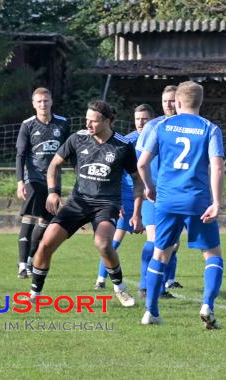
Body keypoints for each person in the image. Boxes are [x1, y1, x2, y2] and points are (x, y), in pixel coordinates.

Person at [26, 100, 144, 307]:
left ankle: (119, 288)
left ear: (108, 121)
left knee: (103, 244)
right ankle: (34, 294)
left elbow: (137, 180)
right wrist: (53, 193)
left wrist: (137, 211)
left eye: (94, 121)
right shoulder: (77, 139)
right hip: (77, 202)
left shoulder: (123, 146)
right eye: (87, 120)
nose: (88, 125)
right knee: (45, 244)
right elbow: (54, 165)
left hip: (106, 204)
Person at [138, 81, 225, 328]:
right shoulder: (210, 128)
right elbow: (217, 167)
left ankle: (151, 311)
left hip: (166, 200)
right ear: (200, 102)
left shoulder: (161, 126)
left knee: (160, 253)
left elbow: (142, 164)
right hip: (198, 201)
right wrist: (217, 202)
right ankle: (207, 305)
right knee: (212, 254)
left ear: (177, 102)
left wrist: (149, 188)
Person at [94, 104, 153, 289]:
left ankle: (167, 281)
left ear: (152, 120)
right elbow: (116, 172)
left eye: (144, 119)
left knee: (162, 241)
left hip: (151, 196)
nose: (140, 122)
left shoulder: (158, 138)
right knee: (114, 240)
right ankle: (101, 279)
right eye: (137, 119)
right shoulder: (127, 141)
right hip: (127, 196)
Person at [15, 87, 69, 279]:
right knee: (29, 217)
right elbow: (20, 155)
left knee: (45, 222)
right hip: (33, 177)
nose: (43, 104)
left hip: (53, 181)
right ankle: (22, 265)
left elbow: (71, 151)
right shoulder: (27, 125)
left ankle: (29, 260)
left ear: (51, 101)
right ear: (33, 104)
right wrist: (20, 181)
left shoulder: (62, 124)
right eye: (39, 102)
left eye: (46, 101)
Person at [135, 86, 182, 300]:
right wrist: (143, 188)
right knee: (155, 239)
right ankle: (148, 286)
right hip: (152, 193)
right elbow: (139, 163)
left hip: (177, 193)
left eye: (172, 100)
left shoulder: (187, 126)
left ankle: (159, 285)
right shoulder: (152, 127)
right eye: (165, 101)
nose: (169, 105)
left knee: (172, 243)